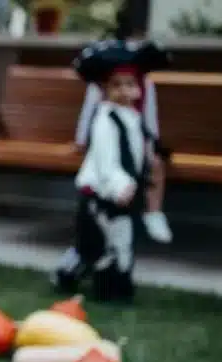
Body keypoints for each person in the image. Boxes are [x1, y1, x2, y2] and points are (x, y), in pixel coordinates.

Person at [53, 38, 171, 303]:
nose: (124, 91)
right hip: (101, 193)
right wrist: (119, 183)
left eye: (130, 84)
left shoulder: (134, 118)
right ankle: (83, 278)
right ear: (105, 89)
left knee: (121, 241)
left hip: (124, 193)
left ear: (139, 89)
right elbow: (106, 159)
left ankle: (119, 286)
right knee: (99, 244)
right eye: (116, 85)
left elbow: (138, 150)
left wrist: (146, 171)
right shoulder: (105, 119)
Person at [72, 8, 173, 244]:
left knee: (154, 164)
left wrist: (152, 146)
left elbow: (149, 122)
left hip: (135, 146)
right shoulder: (101, 93)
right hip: (106, 154)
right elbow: (89, 116)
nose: (126, 89)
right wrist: (80, 140)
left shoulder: (146, 87)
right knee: (97, 237)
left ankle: (153, 212)